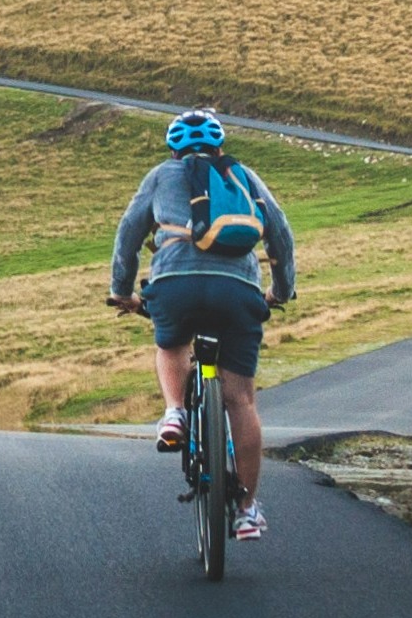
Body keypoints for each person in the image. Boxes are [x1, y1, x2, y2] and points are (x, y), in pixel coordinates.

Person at [107, 109, 295, 541]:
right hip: (239, 290)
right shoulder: (244, 176)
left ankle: (175, 413)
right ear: (220, 146)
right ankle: (247, 510)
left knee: (171, 343)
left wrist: (122, 291)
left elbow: (129, 234)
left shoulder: (161, 175)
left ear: (173, 149)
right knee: (241, 401)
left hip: (176, 284)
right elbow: (280, 235)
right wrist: (280, 292)